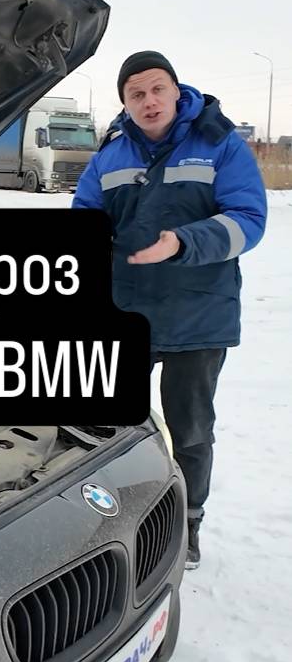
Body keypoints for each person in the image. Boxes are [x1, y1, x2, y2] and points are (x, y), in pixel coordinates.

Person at [72, 51, 267, 570]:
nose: (149, 100)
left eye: (158, 88)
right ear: (125, 103)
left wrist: (183, 242)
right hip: (126, 309)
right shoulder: (110, 154)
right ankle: (113, 524)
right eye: (136, 93)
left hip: (197, 317)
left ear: (177, 92)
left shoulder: (219, 143)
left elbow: (248, 219)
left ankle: (188, 523)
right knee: (108, 429)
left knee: (191, 431)